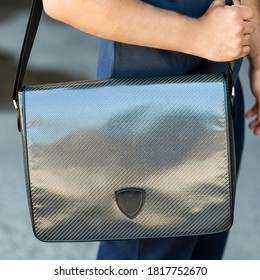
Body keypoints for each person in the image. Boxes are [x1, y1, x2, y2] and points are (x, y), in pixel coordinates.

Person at [41, 0, 260, 259]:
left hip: (220, 91)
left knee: (203, 255)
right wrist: (199, 35)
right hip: (147, 114)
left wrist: (257, 56)